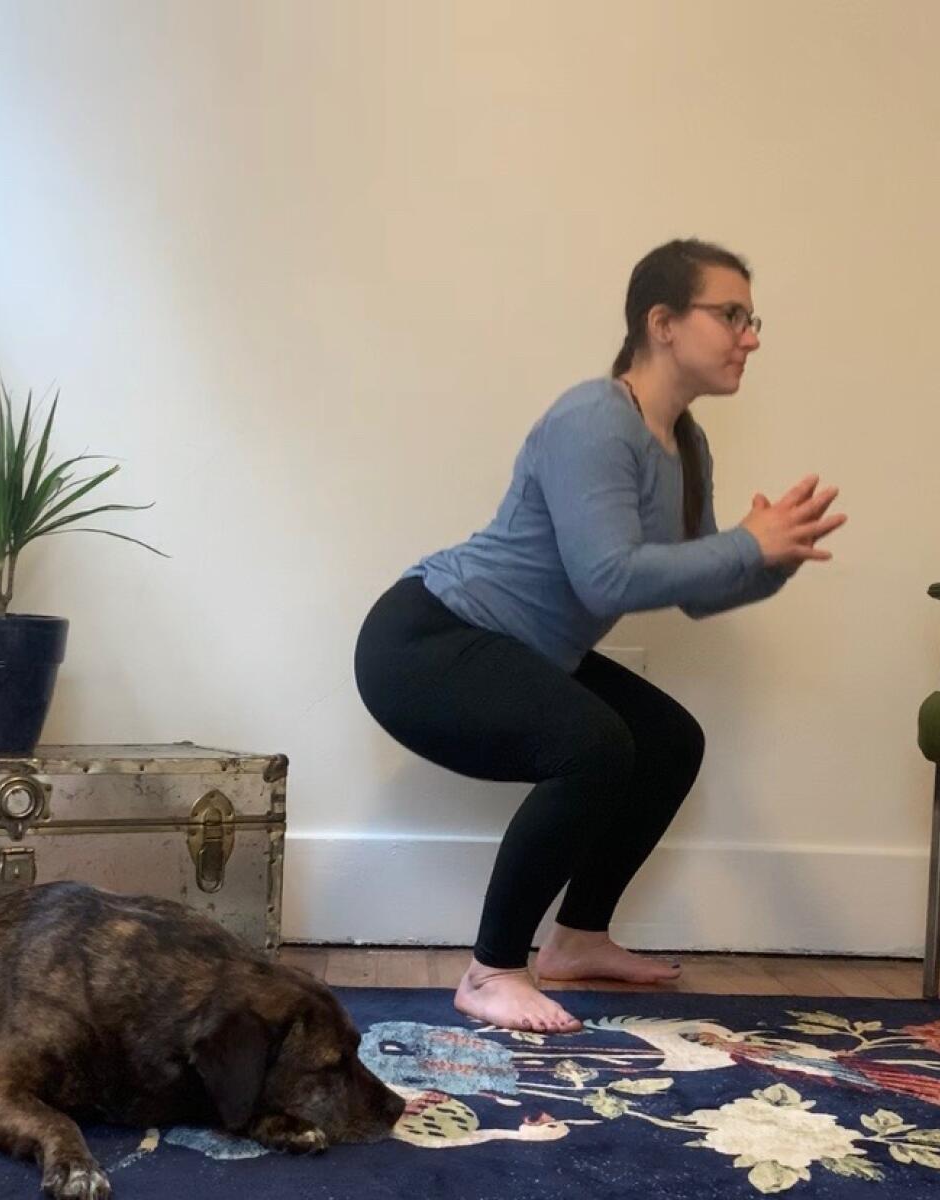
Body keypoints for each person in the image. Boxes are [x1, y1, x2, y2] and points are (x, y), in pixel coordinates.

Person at [353, 238, 847, 1033]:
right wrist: (745, 545)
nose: (749, 337)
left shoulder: (686, 444)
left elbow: (695, 591)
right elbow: (607, 580)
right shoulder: (593, 419)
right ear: (663, 323)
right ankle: (491, 972)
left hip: (517, 648)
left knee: (668, 742)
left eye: (754, 320)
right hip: (428, 639)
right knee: (594, 745)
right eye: (731, 315)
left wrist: (772, 559)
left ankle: (578, 939)